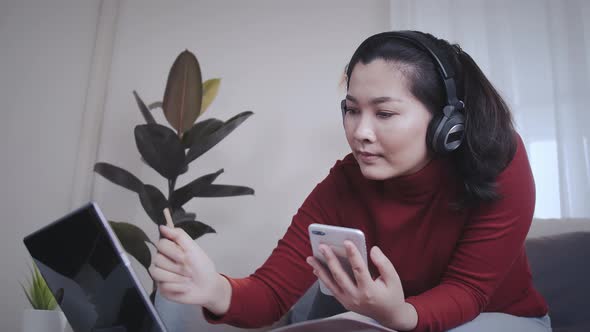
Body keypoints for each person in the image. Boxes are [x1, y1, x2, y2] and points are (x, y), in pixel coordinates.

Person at [149, 30, 551, 332]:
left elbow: (469, 291)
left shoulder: (500, 160)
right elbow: (271, 293)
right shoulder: (345, 183)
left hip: (497, 317)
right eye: (351, 110)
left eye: (385, 113)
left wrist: (398, 314)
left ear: (448, 124)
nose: (360, 131)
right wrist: (213, 289)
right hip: (389, 318)